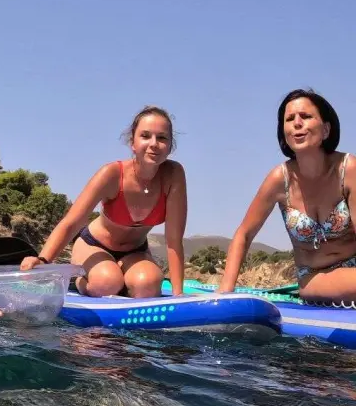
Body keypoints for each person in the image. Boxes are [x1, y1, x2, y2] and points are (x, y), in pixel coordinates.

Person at [20, 106, 188, 297]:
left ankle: (124, 283)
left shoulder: (174, 175)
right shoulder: (112, 174)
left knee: (148, 284)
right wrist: (43, 259)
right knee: (106, 282)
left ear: (170, 145)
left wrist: (178, 294)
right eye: (145, 135)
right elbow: (72, 222)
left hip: (136, 252)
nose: (154, 143)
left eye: (162, 137)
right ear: (133, 142)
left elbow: (173, 240)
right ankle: (79, 280)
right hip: (94, 245)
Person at [219, 89, 356, 304]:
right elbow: (244, 234)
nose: (297, 123)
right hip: (313, 278)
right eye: (289, 119)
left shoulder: (348, 169)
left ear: (326, 129)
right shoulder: (279, 179)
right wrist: (225, 294)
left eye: (306, 116)